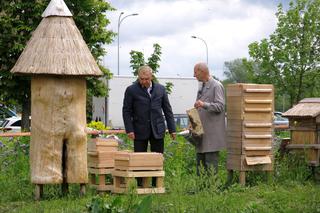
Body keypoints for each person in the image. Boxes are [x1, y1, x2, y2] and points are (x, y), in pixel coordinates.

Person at [122, 65, 176, 154]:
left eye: (146, 79)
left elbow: (167, 110)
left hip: (157, 131)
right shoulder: (131, 90)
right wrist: (129, 129)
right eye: (141, 79)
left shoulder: (161, 89)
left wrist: (172, 129)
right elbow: (126, 111)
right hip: (139, 131)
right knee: (139, 160)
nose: (143, 81)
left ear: (151, 76)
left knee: (157, 160)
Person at [193, 62, 226, 175]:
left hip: (212, 135)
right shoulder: (201, 86)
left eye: (195, 72)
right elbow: (200, 107)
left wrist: (204, 104)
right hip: (201, 134)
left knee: (211, 165)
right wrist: (192, 122)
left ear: (202, 71)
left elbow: (220, 106)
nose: (194, 75)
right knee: (200, 165)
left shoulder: (216, 86)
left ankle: (212, 189)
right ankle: (201, 189)